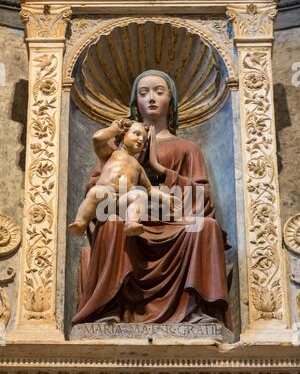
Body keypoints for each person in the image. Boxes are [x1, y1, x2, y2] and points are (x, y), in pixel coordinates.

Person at [72, 70, 231, 327]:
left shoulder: (188, 149)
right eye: (144, 93)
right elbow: (96, 185)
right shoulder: (118, 151)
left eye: (159, 91)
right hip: (127, 218)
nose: (152, 98)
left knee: (207, 227)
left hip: (173, 222)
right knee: (110, 223)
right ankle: (107, 309)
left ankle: (195, 310)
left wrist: (159, 169)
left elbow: (202, 199)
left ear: (171, 100)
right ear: (136, 103)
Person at [69, 119, 175, 237]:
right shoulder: (110, 154)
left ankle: (132, 223)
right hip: (104, 197)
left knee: (141, 195)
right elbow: (97, 139)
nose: (141, 139)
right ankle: (81, 222)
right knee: (95, 192)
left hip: (123, 201)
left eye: (144, 140)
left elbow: (149, 190)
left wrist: (165, 197)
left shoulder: (138, 167)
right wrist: (113, 130)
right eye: (137, 134)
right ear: (123, 134)